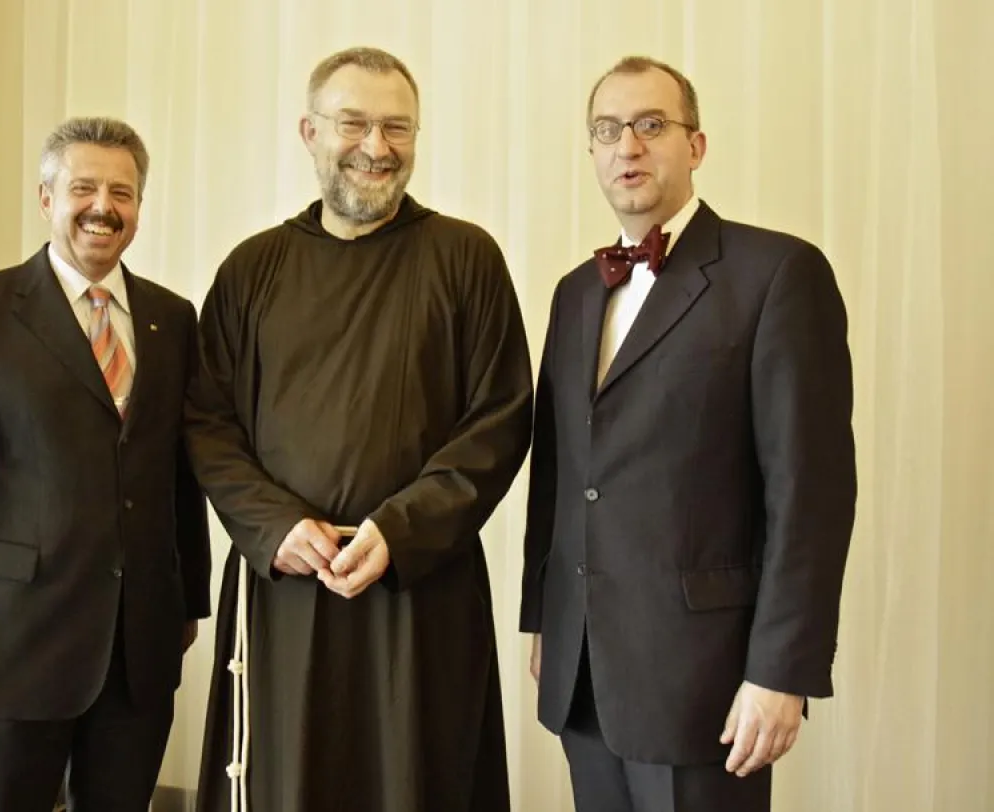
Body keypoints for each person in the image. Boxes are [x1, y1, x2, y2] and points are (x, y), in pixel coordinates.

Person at [187, 46, 533, 812]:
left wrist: (400, 530)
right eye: (354, 124)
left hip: (421, 588)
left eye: (397, 128)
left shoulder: (466, 258)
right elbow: (208, 424)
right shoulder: (252, 269)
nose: (377, 148)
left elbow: (500, 420)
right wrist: (274, 525)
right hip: (285, 589)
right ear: (309, 133)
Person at [519, 56, 856, 812]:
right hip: (583, 671)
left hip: (706, 678)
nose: (627, 147)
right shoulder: (576, 291)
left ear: (695, 146)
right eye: (607, 130)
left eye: (650, 125)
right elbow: (562, 469)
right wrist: (545, 616)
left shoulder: (778, 274)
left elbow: (812, 493)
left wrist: (781, 671)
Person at [0, 116, 212, 812]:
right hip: (10, 650)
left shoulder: (173, 319)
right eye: (84, 188)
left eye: (122, 192)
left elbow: (179, 476)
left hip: (137, 653)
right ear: (47, 199)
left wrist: (187, 601)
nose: (104, 207)